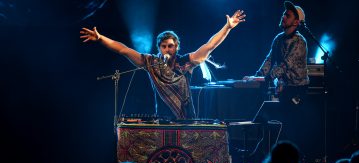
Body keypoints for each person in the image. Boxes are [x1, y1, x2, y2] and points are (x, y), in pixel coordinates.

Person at [80, 10, 246, 120]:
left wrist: (227, 27)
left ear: (176, 46)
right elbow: (123, 50)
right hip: (162, 119)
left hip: (186, 119)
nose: (167, 49)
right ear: (159, 47)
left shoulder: (185, 62)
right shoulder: (151, 62)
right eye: (164, 46)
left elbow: (210, 45)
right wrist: (101, 38)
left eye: (171, 46)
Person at [244, 1, 308, 105]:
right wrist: (257, 76)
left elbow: (286, 64)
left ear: (296, 22)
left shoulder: (299, 41)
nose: (283, 17)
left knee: (293, 118)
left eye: (288, 15)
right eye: (284, 14)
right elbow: (269, 60)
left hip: (298, 89)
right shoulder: (279, 38)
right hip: (285, 88)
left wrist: (267, 78)